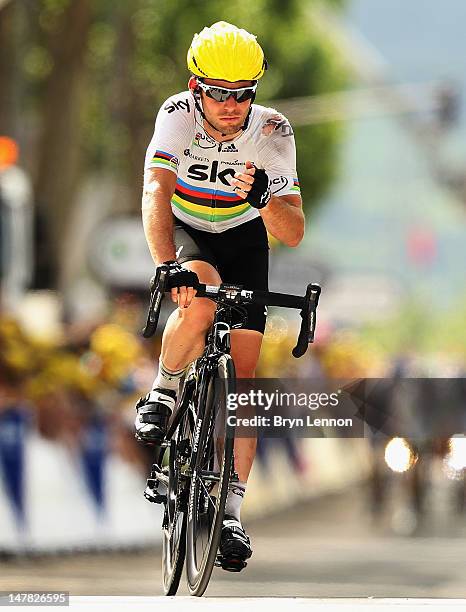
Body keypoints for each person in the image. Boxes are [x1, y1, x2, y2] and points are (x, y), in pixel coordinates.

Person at [135, 21, 304, 569]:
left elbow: (293, 230)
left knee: (246, 386)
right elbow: (156, 189)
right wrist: (166, 266)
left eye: (243, 94)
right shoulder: (175, 117)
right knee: (201, 296)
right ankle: (163, 391)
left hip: (244, 236)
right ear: (195, 87)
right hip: (187, 228)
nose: (231, 105)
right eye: (219, 92)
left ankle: (230, 510)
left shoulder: (273, 131)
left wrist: (262, 196)